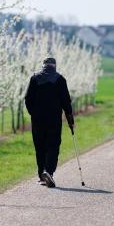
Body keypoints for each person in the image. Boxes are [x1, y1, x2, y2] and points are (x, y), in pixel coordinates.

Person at [24, 57, 74, 188]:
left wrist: (34, 114)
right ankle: (49, 172)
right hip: (54, 120)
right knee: (53, 145)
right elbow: (66, 102)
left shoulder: (34, 79)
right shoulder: (60, 80)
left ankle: (41, 176)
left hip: (38, 120)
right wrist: (70, 119)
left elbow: (28, 99)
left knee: (39, 146)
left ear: (43, 66)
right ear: (54, 66)